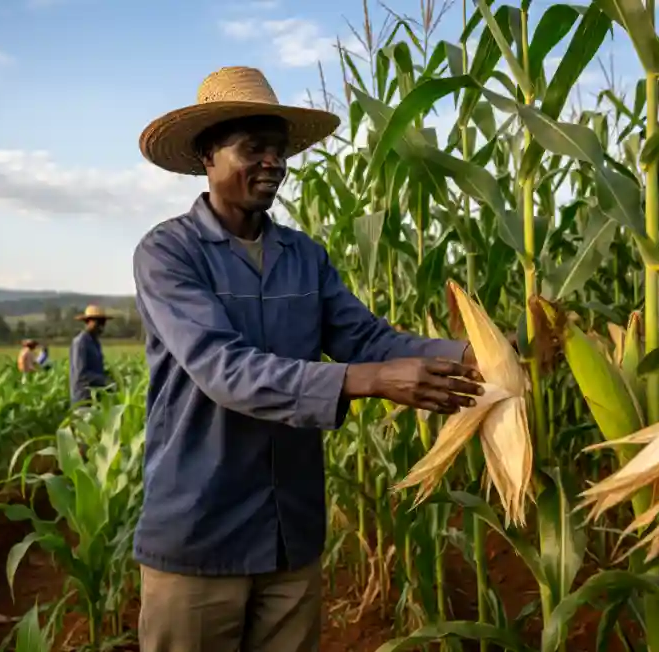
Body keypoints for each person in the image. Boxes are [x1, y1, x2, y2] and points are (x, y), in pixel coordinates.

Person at [131, 66, 500, 652]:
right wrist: (367, 381)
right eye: (254, 148)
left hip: (289, 536)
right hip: (202, 535)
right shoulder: (168, 253)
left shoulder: (303, 255)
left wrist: (486, 355)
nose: (273, 162)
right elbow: (226, 370)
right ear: (207, 153)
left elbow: (369, 339)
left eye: (279, 150)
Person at [69, 305, 115, 407]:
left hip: (95, 398)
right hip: (84, 399)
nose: (102, 327)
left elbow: (95, 369)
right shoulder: (80, 342)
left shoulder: (95, 342)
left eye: (103, 323)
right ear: (88, 322)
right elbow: (81, 374)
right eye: (98, 323)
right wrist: (105, 381)